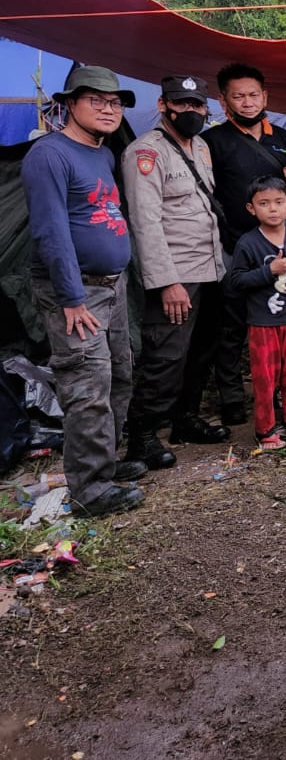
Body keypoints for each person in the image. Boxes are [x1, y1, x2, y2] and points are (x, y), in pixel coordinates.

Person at [22, 66, 146, 516]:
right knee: (86, 386)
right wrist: (71, 298)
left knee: (118, 375)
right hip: (76, 293)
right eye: (96, 100)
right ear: (70, 104)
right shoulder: (49, 154)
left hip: (112, 286)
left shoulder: (103, 153)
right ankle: (90, 491)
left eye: (114, 103)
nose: (109, 109)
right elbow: (50, 231)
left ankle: (104, 466)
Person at [121, 75, 229, 472]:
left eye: (197, 105)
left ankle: (185, 420)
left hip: (211, 268)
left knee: (202, 352)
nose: (191, 112)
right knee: (166, 356)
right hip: (176, 275)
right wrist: (167, 282)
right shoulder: (145, 153)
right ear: (164, 105)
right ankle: (143, 435)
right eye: (182, 105)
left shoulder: (200, 146)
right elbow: (145, 223)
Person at [203, 63, 286, 426]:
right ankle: (231, 397)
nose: (247, 102)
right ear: (223, 100)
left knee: (280, 320)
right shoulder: (213, 142)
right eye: (238, 96)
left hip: (281, 246)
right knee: (232, 326)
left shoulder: (283, 141)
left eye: (253, 95)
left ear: (266, 97)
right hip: (236, 246)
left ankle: (281, 394)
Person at [227, 176, 286, 450]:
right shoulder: (248, 243)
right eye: (264, 203)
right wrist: (268, 272)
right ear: (251, 208)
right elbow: (237, 281)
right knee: (265, 378)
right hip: (263, 324)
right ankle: (265, 429)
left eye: (279, 202)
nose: (273, 209)